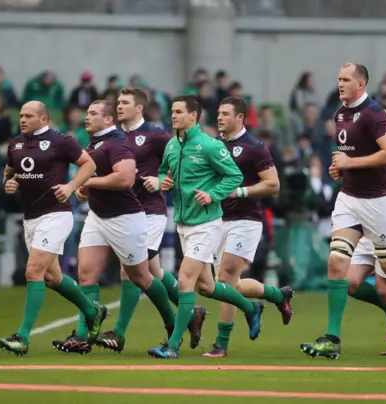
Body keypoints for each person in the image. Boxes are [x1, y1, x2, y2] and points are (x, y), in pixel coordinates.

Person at [300, 63, 386, 360]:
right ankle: (332, 338)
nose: (340, 84)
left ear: (361, 84)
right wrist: (340, 169)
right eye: (338, 79)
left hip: (379, 202)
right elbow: (349, 156)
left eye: (346, 79)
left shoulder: (375, 114)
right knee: (337, 261)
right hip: (349, 198)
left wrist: (350, 164)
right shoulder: (340, 114)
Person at [50, 100, 187, 354]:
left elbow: (125, 178)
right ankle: (83, 335)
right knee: (87, 275)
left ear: (109, 120)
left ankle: (173, 323)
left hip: (125, 218)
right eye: (87, 112)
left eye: (93, 113)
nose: (86, 117)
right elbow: (94, 177)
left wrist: (90, 182)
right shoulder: (95, 142)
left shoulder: (116, 143)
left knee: (141, 276)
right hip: (98, 216)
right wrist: (83, 187)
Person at [146, 95, 264, 359]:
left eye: (179, 112)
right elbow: (164, 171)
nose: (173, 115)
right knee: (207, 287)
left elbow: (234, 175)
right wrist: (163, 181)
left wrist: (213, 194)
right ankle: (250, 306)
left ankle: (172, 346)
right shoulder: (171, 146)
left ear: (193, 116)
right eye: (172, 111)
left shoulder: (209, 145)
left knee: (184, 280)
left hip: (207, 224)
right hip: (183, 223)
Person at [94, 88, 206, 352]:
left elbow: (182, 161)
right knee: (152, 272)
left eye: (124, 103)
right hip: (120, 213)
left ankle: (118, 333)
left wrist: (163, 181)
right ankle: (189, 314)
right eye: (117, 103)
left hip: (149, 212)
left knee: (130, 270)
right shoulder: (113, 136)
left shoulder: (156, 135)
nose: (118, 107)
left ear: (139, 108)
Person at [0, 101, 107, 356]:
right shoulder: (16, 144)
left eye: (28, 116)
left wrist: (69, 187)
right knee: (51, 278)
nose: (22, 120)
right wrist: (8, 183)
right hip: (31, 218)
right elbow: (9, 172)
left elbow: (89, 165)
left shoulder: (61, 141)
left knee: (33, 271)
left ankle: (21, 338)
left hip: (56, 215)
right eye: (21, 115)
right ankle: (93, 311)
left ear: (44, 118)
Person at [201, 96, 293, 358]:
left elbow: (273, 185)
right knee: (227, 286)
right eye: (218, 113)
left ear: (240, 117)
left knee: (225, 279)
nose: (219, 118)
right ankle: (276, 296)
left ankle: (221, 343)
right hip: (217, 220)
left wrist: (240, 192)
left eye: (226, 114)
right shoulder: (213, 146)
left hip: (245, 220)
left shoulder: (255, 148)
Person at [345, 161, 386, 356]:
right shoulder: (360, 160)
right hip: (367, 231)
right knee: (349, 282)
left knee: (384, 287)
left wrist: (376, 200)